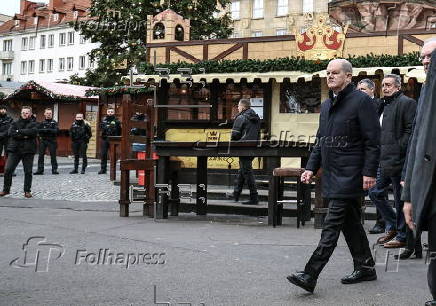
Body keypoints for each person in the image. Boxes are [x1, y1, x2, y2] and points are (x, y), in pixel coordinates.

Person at [287, 59, 380, 293]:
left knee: (331, 224)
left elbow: (373, 141)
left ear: (348, 77)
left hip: (351, 174)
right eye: (328, 73)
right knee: (350, 224)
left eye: (335, 73)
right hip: (332, 174)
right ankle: (366, 267)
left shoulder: (362, 102)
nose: (330, 76)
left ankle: (310, 274)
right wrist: (310, 167)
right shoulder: (327, 105)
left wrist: (369, 172)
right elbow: (321, 140)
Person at [402, 38, 436, 306]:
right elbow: (417, 140)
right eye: (423, 56)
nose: (425, 61)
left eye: (430, 56)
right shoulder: (427, 90)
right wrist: (409, 190)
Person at [368, 74, 416, 249]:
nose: (385, 88)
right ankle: (394, 226)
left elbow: (410, 130)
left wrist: (398, 148)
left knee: (399, 198)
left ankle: (402, 236)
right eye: (383, 86)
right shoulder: (381, 104)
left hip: (399, 160)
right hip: (381, 159)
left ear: (398, 87)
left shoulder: (406, 103)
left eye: (389, 85)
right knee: (374, 192)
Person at [357, 78, 386, 235]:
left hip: (375, 153)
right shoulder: (355, 105)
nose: (359, 92)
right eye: (358, 89)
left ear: (371, 91)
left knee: (376, 190)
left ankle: (382, 222)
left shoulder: (379, 104)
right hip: (358, 153)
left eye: (363, 89)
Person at [0, 106, 38, 198]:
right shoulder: (14, 123)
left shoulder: (34, 123)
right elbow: (11, 133)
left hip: (28, 151)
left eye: (27, 112)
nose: (25, 114)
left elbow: (33, 132)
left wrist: (19, 131)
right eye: (23, 112)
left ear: (30, 113)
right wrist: (25, 134)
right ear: (21, 113)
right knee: (8, 169)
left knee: (28, 171)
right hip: (15, 150)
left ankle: (27, 191)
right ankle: (6, 190)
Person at [230, 99, 260, 205]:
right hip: (253, 147)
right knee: (243, 170)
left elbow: (235, 134)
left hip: (242, 147)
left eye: (238, 106)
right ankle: (236, 194)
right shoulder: (256, 118)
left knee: (247, 171)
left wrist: (233, 143)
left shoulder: (241, 117)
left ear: (243, 107)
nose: (237, 108)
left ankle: (254, 197)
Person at [34, 108, 59, 175]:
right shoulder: (42, 123)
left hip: (52, 141)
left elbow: (56, 131)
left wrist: (47, 130)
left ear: (52, 114)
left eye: (50, 113)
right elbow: (38, 131)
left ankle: (54, 170)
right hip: (43, 140)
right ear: (44, 114)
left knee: (53, 156)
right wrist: (48, 130)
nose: (48, 114)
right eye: (47, 113)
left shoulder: (54, 122)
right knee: (41, 156)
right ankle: (40, 170)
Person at [98, 108, 121, 174]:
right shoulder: (104, 120)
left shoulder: (117, 121)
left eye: (111, 112)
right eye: (109, 111)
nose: (110, 113)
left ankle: (113, 169)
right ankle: (103, 169)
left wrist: (117, 139)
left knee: (113, 155)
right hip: (104, 139)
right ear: (107, 112)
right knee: (103, 154)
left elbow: (119, 131)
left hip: (113, 139)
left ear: (113, 112)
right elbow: (101, 128)